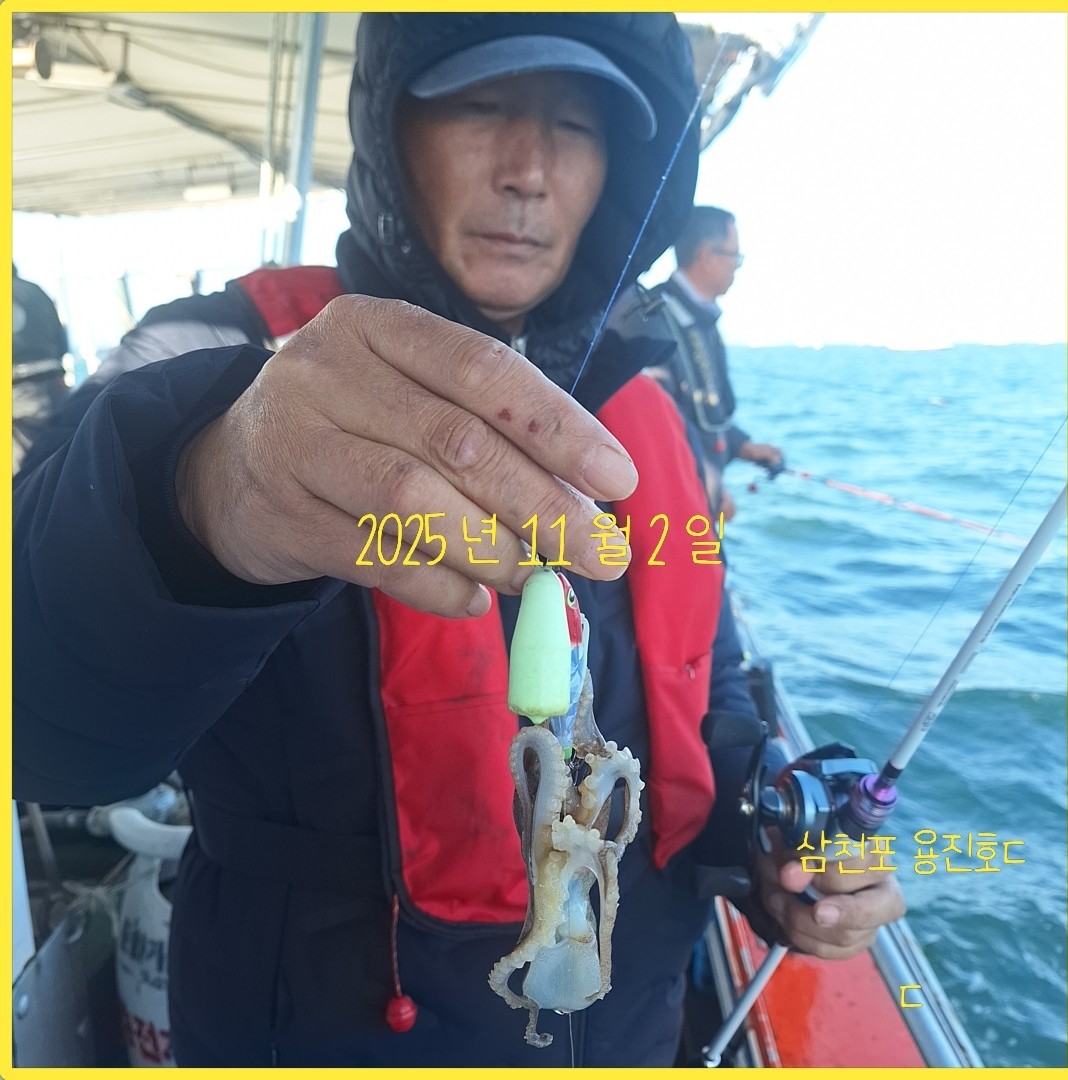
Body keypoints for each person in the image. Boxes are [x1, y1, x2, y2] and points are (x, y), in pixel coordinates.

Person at [13, 13, 902, 1067]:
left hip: (630, 1021)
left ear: (622, 173)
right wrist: (200, 497)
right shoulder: (212, 352)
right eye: (481, 106)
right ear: (391, 131)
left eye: (577, 126)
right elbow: (40, 721)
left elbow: (711, 682)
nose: (528, 170)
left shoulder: (655, 407)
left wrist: (776, 825)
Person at [651, 205, 784, 521]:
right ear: (706, 255)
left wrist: (744, 446)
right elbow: (658, 426)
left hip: (697, 501)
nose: (737, 266)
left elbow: (701, 413)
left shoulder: (701, 319)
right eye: (734, 255)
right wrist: (710, 490)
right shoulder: (653, 319)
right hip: (673, 511)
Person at [12, 264, 69, 472]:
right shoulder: (36, 291)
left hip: (16, 389)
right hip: (53, 382)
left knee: (23, 470)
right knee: (63, 453)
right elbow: (62, 341)